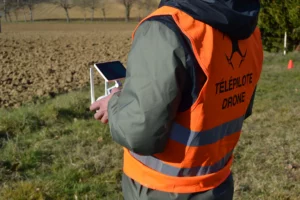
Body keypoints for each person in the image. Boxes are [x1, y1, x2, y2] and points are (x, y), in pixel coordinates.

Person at [90, 0, 263, 199]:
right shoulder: (249, 30)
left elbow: (138, 134)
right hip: (218, 184)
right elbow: (239, 107)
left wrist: (114, 102)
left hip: (162, 187)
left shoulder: (166, 28)